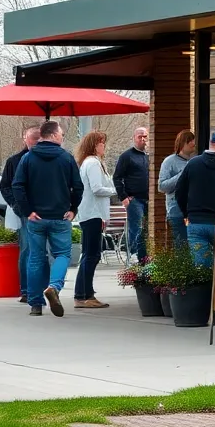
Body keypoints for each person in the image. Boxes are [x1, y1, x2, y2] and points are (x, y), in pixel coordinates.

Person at [11, 121, 83, 318]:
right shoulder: (66, 158)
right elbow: (78, 187)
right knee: (62, 254)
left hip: (36, 218)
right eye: (60, 134)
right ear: (52, 134)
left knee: (36, 258)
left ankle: (35, 304)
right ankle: (54, 286)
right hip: (60, 217)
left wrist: (28, 211)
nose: (62, 137)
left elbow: (17, 186)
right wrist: (73, 209)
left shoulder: (27, 158)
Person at [174, 129, 215, 268]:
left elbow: (179, 191)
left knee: (202, 269)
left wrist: (186, 214)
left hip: (197, 224)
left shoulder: (193, 164)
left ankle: (205, 290)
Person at [73, 130, 116, 309]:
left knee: (90, 254)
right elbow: (97, 188)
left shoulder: (94, 163)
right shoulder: (91, 163)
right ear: (94, 145)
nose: (103, 146)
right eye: (101, 143)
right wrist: (116, 191)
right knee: (92, 254)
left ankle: (84, 293)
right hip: (92, 214)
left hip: (94, 213)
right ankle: (84, 294)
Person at [0, 125, 41, 304]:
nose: (36, 142)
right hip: (25, 211)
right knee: (27, 248)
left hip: (45, 210)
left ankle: (42, 287)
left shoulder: (47, 160)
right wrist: (17, 206)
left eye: (39, 139)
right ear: (25, 139)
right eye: (33, 139)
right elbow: (6, 186)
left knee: (43, 251)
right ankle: (26, 290)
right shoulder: (15, 161)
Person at [112, 126, 150, 262]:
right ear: (134, 138)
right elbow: (117, 177)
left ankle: (144, 258)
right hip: (134, 199)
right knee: (137, 228)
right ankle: (133, 256)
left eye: (145, 136)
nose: (143, 139)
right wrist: (123, 197)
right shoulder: (127, 156)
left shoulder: (149, 156)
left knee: (147, 230)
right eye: (140, 136)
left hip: (149, 200)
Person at [158, 129, 197, 249]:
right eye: (190, 141)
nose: (193, 144)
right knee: (181, 247)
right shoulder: (169, 161)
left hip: (193, 211)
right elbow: (162, 186)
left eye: (193, 141)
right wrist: (181, 175)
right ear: (183, 143)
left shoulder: (194, 161)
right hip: (176, 212)